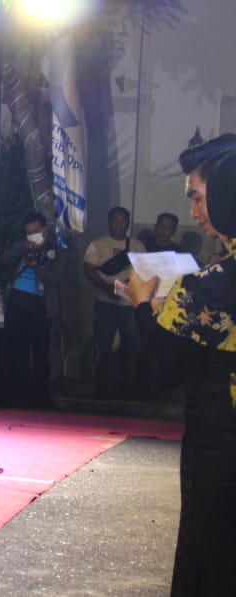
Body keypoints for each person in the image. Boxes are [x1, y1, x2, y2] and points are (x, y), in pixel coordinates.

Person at [127, 138, 236, 596]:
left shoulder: (211, 286)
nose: (194, 212)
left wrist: (142, 305)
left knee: (214, 557)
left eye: (197, 197)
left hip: (221, 445)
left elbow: (165, 367)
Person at [0, 211, 63, 407]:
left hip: (41, 304)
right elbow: (4, 261)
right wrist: (22, 247)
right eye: (28, 233)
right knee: (16, 349)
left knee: (41, 351)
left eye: (35, 232)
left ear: (44, 230)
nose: (32, 236)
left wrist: (37, 267)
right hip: (18, 300)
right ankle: (15, 393)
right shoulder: (22, 246)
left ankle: (41, 395)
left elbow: (55, 279)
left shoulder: (55, 250)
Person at [83, 206, 146, 396]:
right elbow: (88, 270)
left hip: (130, 304)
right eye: (115, 220)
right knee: (103, 345)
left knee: (132, 347)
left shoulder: (138, 246)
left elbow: (145, 272)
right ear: (109, 223)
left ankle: (129, 388)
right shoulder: (97, 244)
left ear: (128, 223)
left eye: (123, 220)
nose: (119, 224)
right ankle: (101, 387)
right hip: (105, 302)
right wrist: (108, 287)